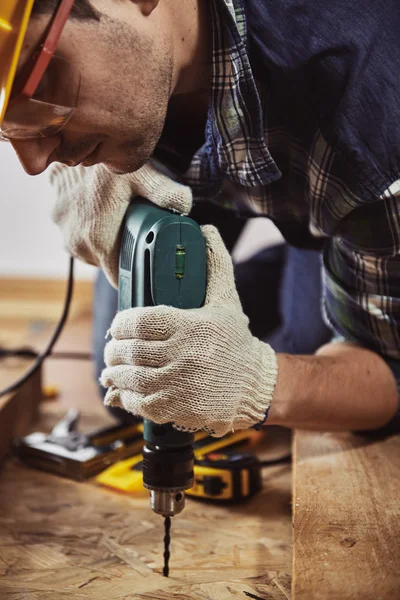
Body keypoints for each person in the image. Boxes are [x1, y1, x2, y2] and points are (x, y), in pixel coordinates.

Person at [1, 0, 399, 436]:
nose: (34, 162)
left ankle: (337, 252)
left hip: (342, 185)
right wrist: (72, 162)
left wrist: (256, 381)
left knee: (310, 352)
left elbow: (390, 372)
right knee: (135, 381)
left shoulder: (373, 120)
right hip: (233, 155)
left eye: (35, 89)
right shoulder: (135, 54)